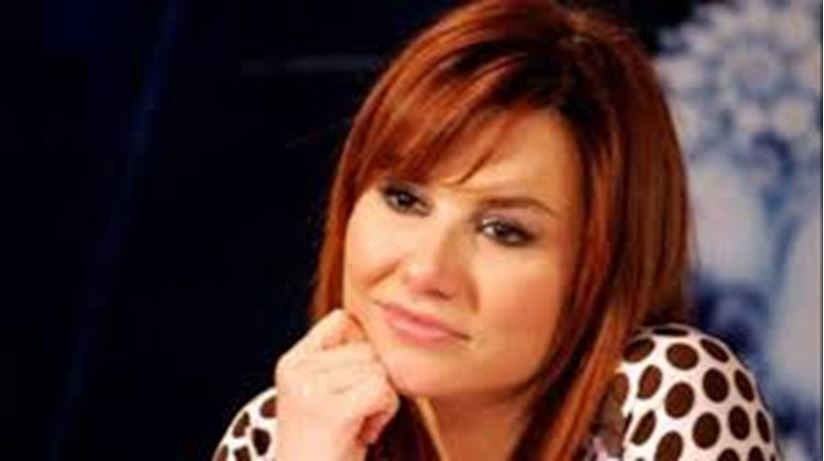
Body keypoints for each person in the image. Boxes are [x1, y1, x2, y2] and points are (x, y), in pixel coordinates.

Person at [214, 1, 782, 460]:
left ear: (601, 269)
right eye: (405, 199)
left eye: (502, 230)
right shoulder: (283, 431)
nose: (426, 270)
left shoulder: (671, 394)